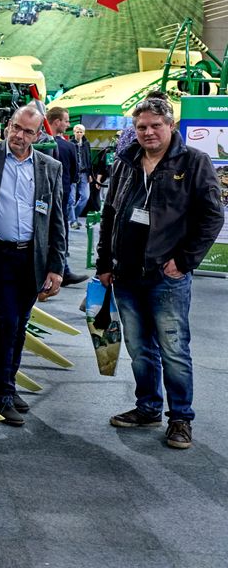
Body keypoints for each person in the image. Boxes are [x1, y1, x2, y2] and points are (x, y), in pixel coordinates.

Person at [96, 97, 223, 449]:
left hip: (167, 277)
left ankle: (181, 418)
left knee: (173, 349)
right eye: (141, 127)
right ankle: (148, 407)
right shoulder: (126, 163)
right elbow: (110, 214)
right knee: (139, 349)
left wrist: (184, 261)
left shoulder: (193, 162)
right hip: (126, 274)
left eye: (155, 126)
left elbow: (212, 216)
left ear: (170, 126)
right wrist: (104, 263)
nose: (148, 132)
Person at [0, 106, 67, 425]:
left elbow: (57, 220)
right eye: (15, 128)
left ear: (39, 135)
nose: (19, 136)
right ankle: (2, 396)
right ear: (8, 125)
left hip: (34, 258)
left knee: (21, 324)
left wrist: (56, 267)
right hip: (0, 254)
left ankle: (9, 388)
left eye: (28, 132)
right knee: (7, 323)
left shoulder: (49, 167)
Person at [47, 106, 86, 286]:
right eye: (66, 121)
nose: (68, 124)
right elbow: (75, 174)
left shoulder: (37, 144)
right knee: (60, 230)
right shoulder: (68, 147)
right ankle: (63, 269)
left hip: (41, 197)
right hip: (61, 196)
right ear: (57, 122)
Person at [70, 124, 92, 228]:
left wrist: (90, 174)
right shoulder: (70, 144)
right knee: (71, 199)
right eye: (77, 131)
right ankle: (73, 220)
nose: (79, 133)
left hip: (84, 173)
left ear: (84, 133)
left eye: (81, 132)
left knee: (85, 196)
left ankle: (72, 216)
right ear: (74, 132)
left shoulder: (86, 144)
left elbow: (89, 159)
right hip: (73, 173)